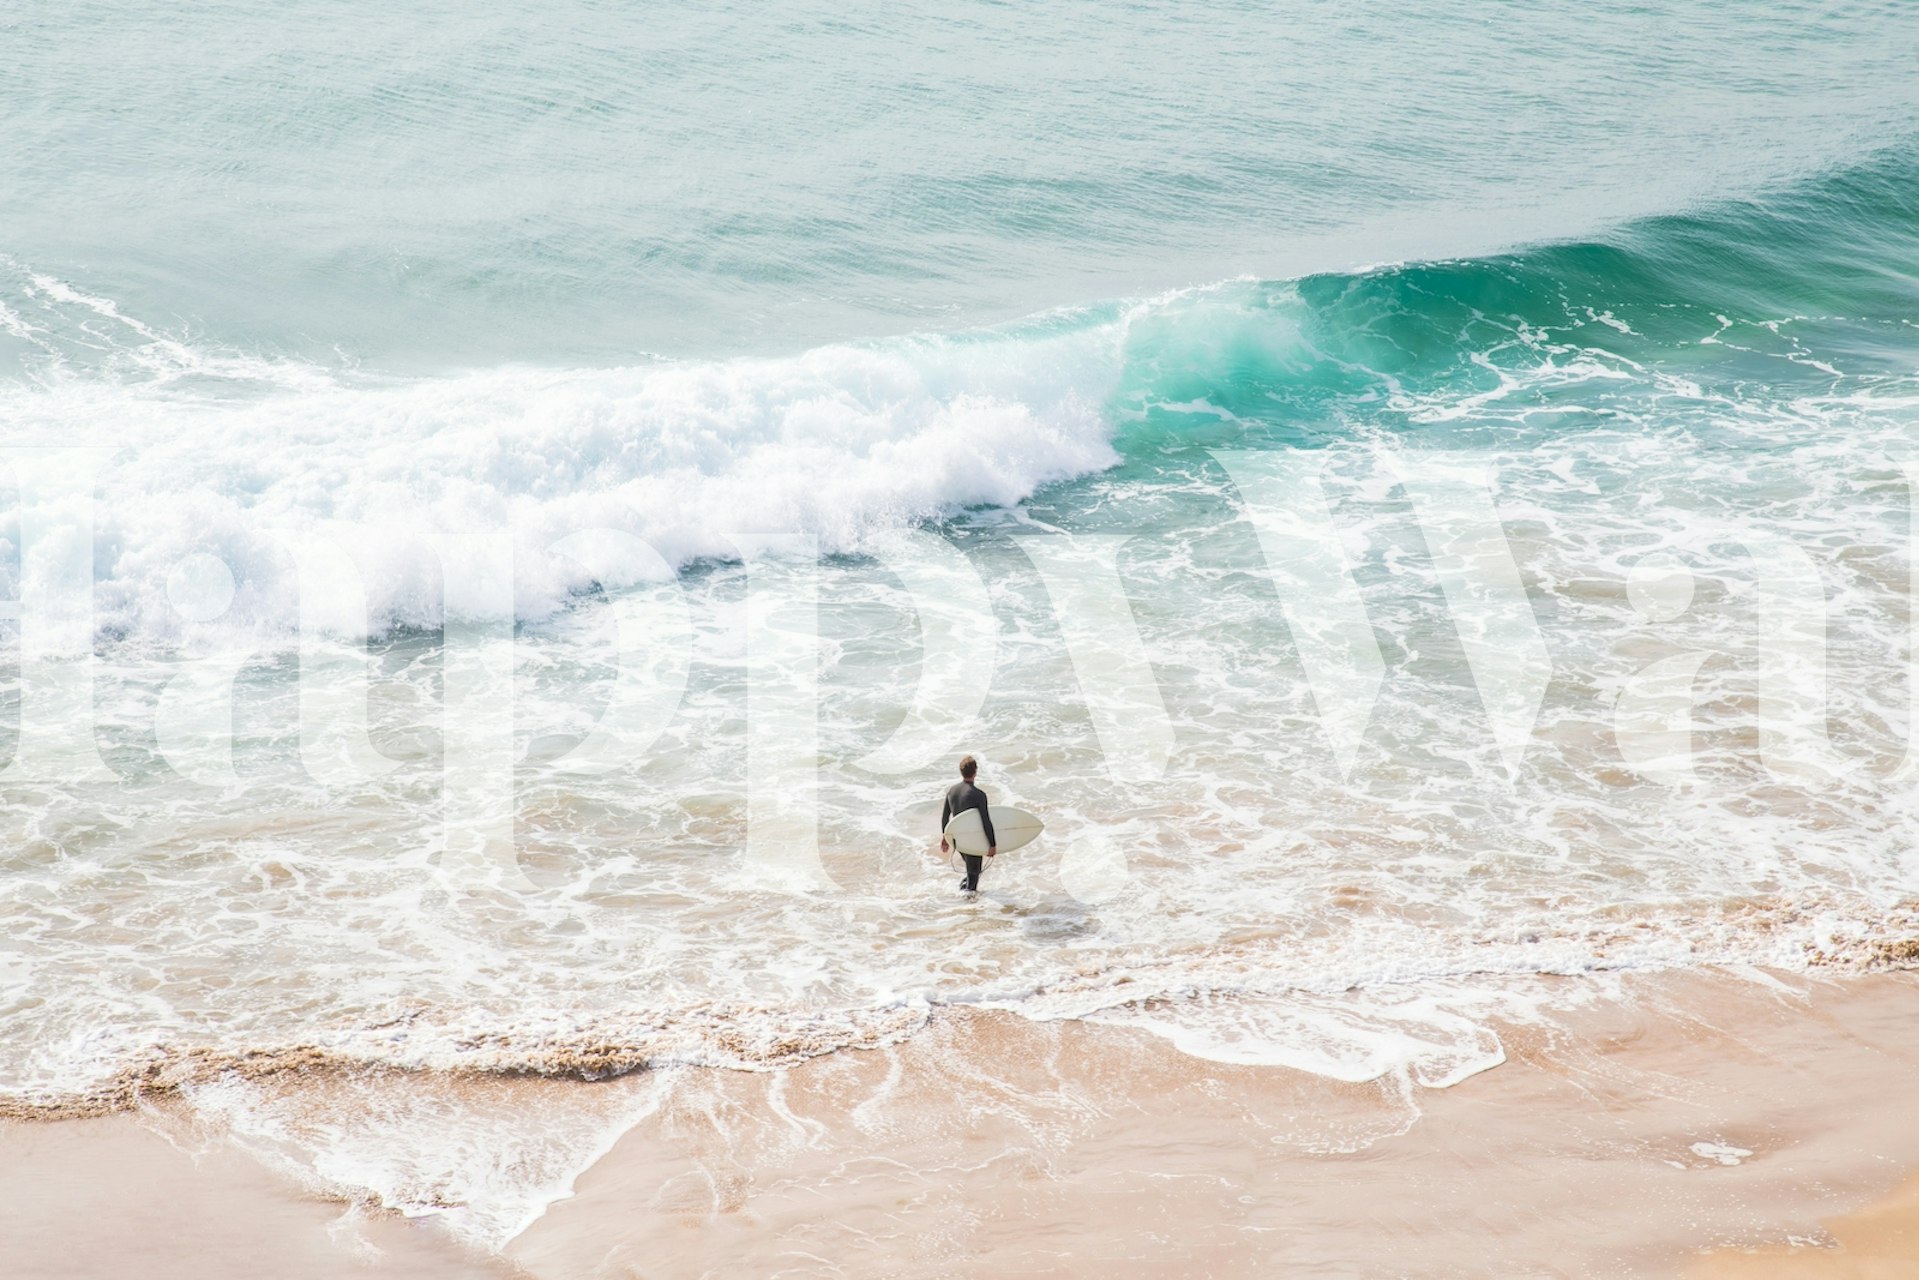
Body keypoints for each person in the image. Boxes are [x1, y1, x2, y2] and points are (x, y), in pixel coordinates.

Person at [938, 754, 997, 893]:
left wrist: (946, 837)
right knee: (974, 873)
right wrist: (992, 844)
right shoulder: (978, 795)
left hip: (958, 839)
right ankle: (967, 906)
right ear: (975, 771)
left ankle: (964, 896)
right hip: (972, 839)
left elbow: (945, 816)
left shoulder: (952, 791)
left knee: (973, 871)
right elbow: (985, 821)